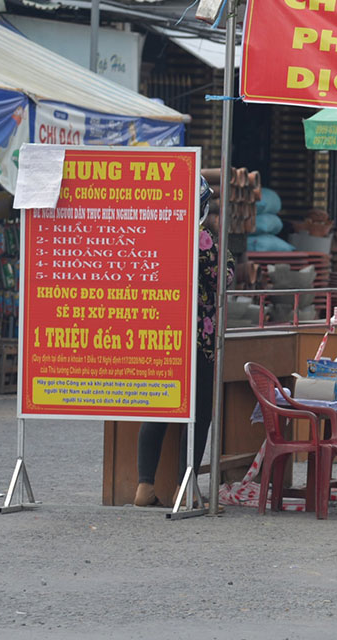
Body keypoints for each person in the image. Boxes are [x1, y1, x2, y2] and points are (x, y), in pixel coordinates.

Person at [135, 178, 234, 506]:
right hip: (198, 341)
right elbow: (225, 279)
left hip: (161, 337)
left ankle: (144, 486)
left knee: (159, 408)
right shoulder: (204, 241)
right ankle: (183, 486)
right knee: (199, 413)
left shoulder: (156, 234)